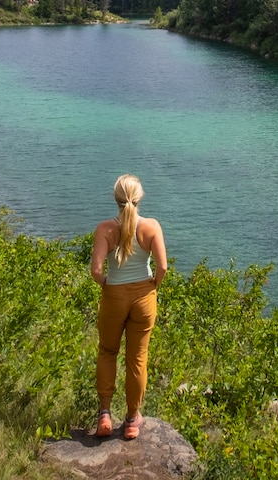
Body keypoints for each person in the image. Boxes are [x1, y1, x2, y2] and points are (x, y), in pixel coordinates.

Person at [89, 173, 168, 440]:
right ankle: (133, 420)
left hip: (114, 295)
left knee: (108, 351)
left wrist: (108, 284)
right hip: (144, 296)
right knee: (138, 358)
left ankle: (105, 414)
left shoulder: (105, 230)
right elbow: (163, 266)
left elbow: (96, 270)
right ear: (140, 196)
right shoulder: (151, 227)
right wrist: (153, 285)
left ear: (116, 198)